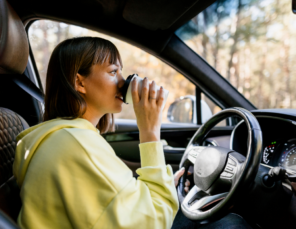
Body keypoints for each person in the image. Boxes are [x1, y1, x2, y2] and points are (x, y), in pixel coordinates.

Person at [13, 36, 252, 229]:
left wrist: (166, 183)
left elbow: (115, 198)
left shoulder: (65, 137)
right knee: (230, 224)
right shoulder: (75, 143)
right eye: (112, 71)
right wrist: (149, 130)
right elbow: (152, 222)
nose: (123, 82)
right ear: (80, 83)